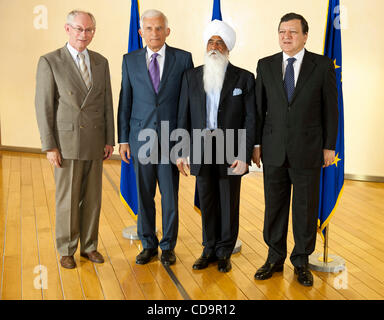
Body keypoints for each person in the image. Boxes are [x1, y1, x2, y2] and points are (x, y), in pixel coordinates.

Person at [253, 13, 338, 286]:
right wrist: (256, 145)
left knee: (304, 208)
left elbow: (331, 110)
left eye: (292, 32)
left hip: (309, 150)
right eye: (281, 31)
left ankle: (301, 260)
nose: (285, 36)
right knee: (274, 207)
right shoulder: (265, 65)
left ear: (304, 36)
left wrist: (329, 147)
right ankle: (274, 258)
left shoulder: (322, 65)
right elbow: (258, 110)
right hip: (274, 150)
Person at [35, 10, 115, 269]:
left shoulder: (101, 62)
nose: (84, 34)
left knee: (93, 199)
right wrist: (49, 145)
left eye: (89, 29)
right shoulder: (50, 61)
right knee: (67, 199)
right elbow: (44, 106)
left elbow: (106, 103)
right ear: (67, 29)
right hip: (66, 143)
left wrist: (109, 139)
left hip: (95, 141)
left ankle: (89, 246)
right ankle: (66, 248)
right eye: (79, 29)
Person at [177, 20, 256, 273]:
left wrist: (244, 154)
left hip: (231, 149)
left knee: (228, 201)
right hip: (200, 147)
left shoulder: (244, 78)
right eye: (211, 42)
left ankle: (225, 251)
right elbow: (183, 116)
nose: (214, 46)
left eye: (220, 42)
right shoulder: (190, 76)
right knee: (207, 199)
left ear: (228, 48)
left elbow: (250, 119)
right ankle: (208, 249)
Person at [117, 9, 193, 266]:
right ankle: (148, 244)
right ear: (141, 32)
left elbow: (187, 104)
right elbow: (125, 101)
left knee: (170, 197)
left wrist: (184, 145)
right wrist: (124, 139)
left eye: (159, 28)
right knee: (144, 195)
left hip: (172, 142)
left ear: (167, 31)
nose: (154, 33)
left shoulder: (183, 59)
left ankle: (168, 246)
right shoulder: (129, 60)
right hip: (140, 140)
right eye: (148, 29)